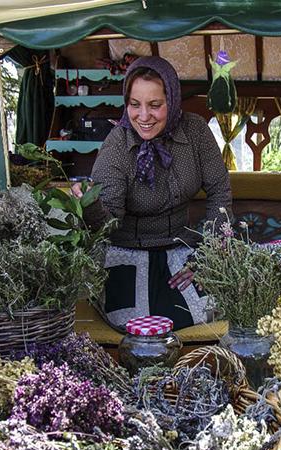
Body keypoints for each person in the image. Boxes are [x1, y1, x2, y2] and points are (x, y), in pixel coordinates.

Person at [73, 56, 232, 330]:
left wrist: (207, 255)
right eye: (135, 105)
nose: (143, 116)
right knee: (139, 327)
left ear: (172, 100)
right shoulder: (117, 146)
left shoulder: (195, 131)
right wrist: (90, 206)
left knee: (210, 309)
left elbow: (220, 191)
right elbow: (109, 225)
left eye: (155, 105)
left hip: (182, 251)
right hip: (127, 253)